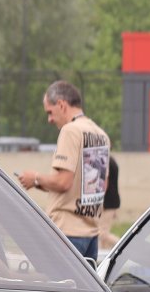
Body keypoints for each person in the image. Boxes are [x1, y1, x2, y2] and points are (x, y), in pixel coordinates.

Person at [18, 80, 111, 261]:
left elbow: (63, 182)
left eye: (50, 112)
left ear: (61, 104)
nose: (49, 119)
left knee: (57, 287)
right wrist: (42, 184)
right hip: (91, 233)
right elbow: (101, 186)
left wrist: (35, 178)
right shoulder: (101, 135)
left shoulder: (70, 131)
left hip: (66, 231)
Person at [99, 153, 121, 250]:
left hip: (107, 202)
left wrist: (100, 200)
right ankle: (104, 254)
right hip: (112, 201)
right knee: (103, 235)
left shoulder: (106, 161)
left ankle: (121, 244)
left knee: (101, 233)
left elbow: (105, 184)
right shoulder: (112, 160)